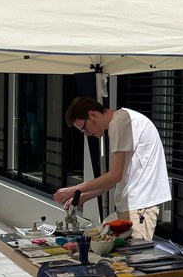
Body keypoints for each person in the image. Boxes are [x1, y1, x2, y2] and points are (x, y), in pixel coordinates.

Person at [55, 97, 171, 241]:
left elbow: (115, 176)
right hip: (133, 206)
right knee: (118, 259)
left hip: (139, 207)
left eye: (84, 128)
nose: (87, 134)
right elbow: (116, 177)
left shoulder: (121, 122)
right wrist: (85, 196)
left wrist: (74, 189)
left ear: (92, 115)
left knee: (131, 260)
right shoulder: (121, 121)